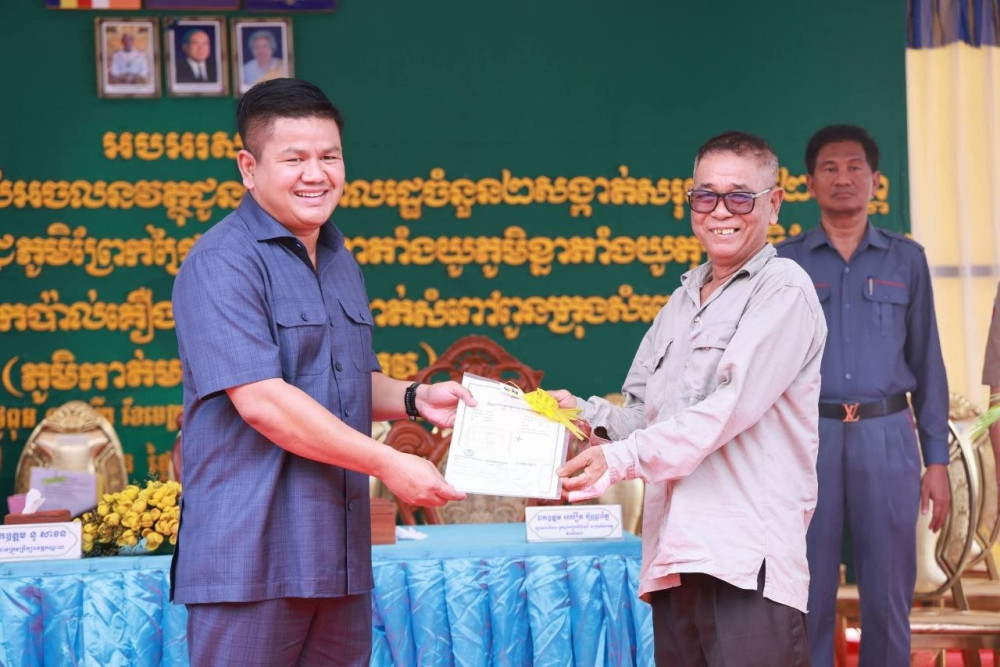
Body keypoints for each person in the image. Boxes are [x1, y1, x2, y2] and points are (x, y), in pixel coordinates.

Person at [171, 77, 473, 666]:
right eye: (295, 159)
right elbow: (264, 402)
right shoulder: (222, 262)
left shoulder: (337, 257)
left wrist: (416, 398)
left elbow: (341, 380)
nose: (316, 174)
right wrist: (388, 462)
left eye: (329, 157)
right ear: (248, 168)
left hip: (336, 554)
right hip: (251, 560)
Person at [556, 131, 827, 666]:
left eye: (739, 197)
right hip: (675, 558)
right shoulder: (680, 303)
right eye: (705, 196)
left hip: (746, 564)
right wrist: (579, 415)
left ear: (774, 204)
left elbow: (725, 411)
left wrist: (619, 460)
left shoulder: (784, 290)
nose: (720, 211)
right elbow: (644, 416)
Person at [776, 124, 951, 667]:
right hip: (810, 440)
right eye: (829, 168)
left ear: (876, 180)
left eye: (855, 167)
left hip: (887, 437)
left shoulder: (906, 259)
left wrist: (937, 461)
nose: (843, 178)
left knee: (888, 593)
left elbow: (928, 363)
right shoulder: (785, 263)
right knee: (805, 591)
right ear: (809, 183)